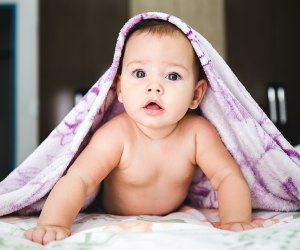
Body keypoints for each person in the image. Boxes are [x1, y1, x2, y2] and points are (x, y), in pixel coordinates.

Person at [25, 19, 260, 245]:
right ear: (120, 89)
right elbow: (80, 179)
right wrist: (54, 223)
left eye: (172, 76)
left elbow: (227, 177)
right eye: (139, 73)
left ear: (196, 95)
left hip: (176, 211)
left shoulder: (198, 134)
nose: (154, 87)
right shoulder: (116, 135)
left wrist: (235, 221)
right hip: (113, 213)